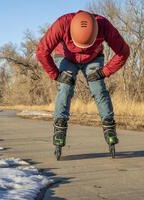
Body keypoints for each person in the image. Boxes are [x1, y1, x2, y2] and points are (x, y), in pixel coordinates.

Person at [36, 10, 130, 152]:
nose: (81, 50)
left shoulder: (103, 25)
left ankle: (109, 125)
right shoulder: (62, 23)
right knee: (65, 88)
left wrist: (105, 71)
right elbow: (42, 51)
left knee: (98, 89)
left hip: (93, 58)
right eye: (79, 45)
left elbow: (123, 51)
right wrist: (55, 74)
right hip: (66, 57)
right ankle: (59, 126)